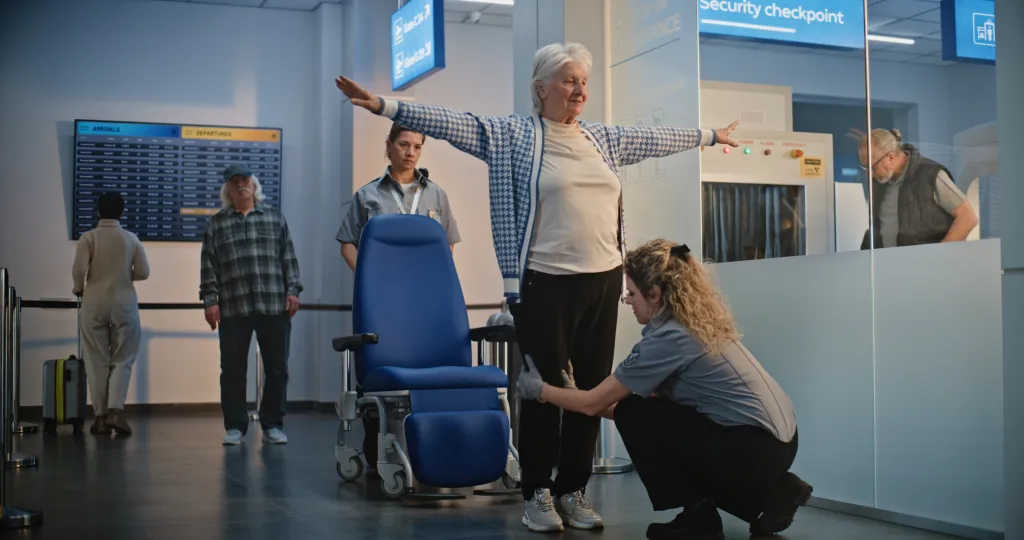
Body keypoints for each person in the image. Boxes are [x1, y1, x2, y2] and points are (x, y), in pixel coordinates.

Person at [336, 41, 739, 533]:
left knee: (591, 389)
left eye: (584, 82)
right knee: (544, 391)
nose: (579, 90)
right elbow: (448, 120)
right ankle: (538, 493)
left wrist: (710, 135)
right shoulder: (512, 135)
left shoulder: (602, 140)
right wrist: (382, 105)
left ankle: (573, 489)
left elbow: (654, 138)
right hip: (544, 282)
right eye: (570, 80)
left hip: (602, 279)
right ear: (542, 87)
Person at [516, 239, 812, 540]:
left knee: (636, 410)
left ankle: (699, 518)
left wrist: (539, 390)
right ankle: (771, 495)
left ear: (654, 294)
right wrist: (573, 395)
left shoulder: (668, 339)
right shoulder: (695, 323)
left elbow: (599, 405)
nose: (628, 300)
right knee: (647, 414)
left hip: (754, 449)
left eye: (631, 293)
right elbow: (629, 413)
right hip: (779, 442)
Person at [335, 122, 462, 474]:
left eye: (417, 146)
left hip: (425, 302)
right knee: (380, 370)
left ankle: (432, 447)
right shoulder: (367, 195)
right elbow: (347, 243)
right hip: (383, 305)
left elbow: (446, 244)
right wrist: (369, 279)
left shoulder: (436, 195)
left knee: (426, 370)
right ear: (388, 146)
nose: (410, 152)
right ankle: (379, 451)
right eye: (404, 144)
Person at [199, 164, 302, 446]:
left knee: (277, 367)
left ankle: (273, 424)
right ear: (227, 191)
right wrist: (210, 302)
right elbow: (209, 266)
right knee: (232, 369)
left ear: (254, 186)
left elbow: (289, 259)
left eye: (245, 181)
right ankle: (235, 426)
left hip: (274, 305)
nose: (241, 185)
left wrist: (293, 291)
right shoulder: (217, 223)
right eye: (234, 182)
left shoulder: (274, 219)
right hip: (234, 307)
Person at [72, 191, 150, 436]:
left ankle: (101, 418)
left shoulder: (88, 238)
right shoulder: (130, 239)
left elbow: (79, 269)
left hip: (94, 303)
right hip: (124, 303)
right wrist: (127, 275)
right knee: (123, 359)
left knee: (96, 362)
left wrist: (79, 287)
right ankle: (116, 411)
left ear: (98, 212)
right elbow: (144, 272)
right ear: (122, 213)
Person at [858, 128, 978, 249]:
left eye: (872, 167)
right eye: (865, 167)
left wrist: (940, 256)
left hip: (926, 265)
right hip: (890, 265)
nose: (869, 174)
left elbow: (968, 217)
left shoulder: (930, 175)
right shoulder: (880, 181)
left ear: (891, 157)